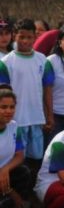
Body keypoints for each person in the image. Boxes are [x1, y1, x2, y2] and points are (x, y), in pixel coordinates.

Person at [0, 19, 47, 166]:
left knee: (36, 159)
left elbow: (47, 89)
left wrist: (48, 115)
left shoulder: (42, 59)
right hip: (16, 119)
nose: (25, 41)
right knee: (18, 159)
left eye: (29, 37)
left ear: (35, 37)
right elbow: (4, 93)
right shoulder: (6, 62)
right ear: (15, 36)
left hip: (36, 117)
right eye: (22, 36)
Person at [0, 88, 33, 208]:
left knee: (24, 172)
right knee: (10, 201)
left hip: (5, 175)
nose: (8, 111)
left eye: (12, 107)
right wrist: (11, 192)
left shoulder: (14, 127)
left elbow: (19, 155)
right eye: (3, 107)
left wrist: (5, 169)